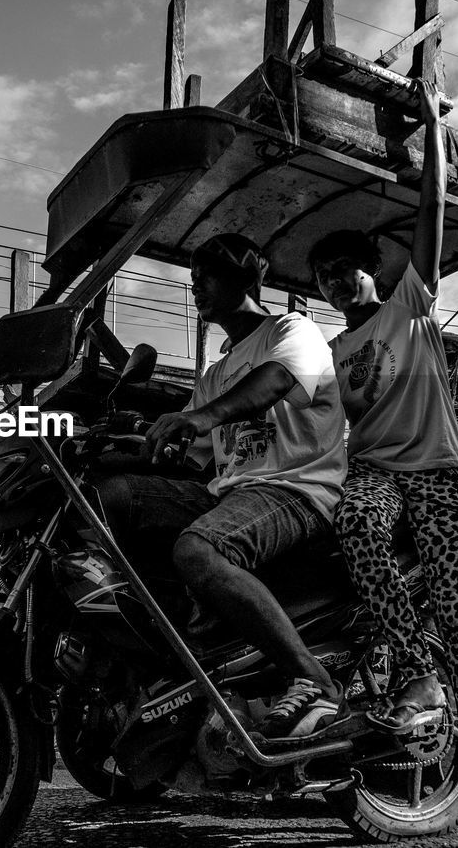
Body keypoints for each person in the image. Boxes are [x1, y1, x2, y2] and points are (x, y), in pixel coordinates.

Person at [309, 79, 458, 848]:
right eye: (326, 276)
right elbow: (316, 423)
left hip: (439, 476)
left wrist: (435, 129)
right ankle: (413, 668)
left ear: (372, 269)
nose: (340, 280)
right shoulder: (332, 350)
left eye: (348, 266)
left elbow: (431, 218)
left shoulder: (410, 301)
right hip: (375, 473)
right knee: (356, 524)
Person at [99, 232, 349, 741]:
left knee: (198, 549)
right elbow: (194, 457)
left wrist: (199, 416)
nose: (197, 290)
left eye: (206, 277)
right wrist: (130, 442)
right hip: (229, 491)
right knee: (110, 500)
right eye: (192, 281)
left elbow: (276, 381)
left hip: (295, 488)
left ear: (243, 278)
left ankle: (312, 678)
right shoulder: (214, 372)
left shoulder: (291, 329)